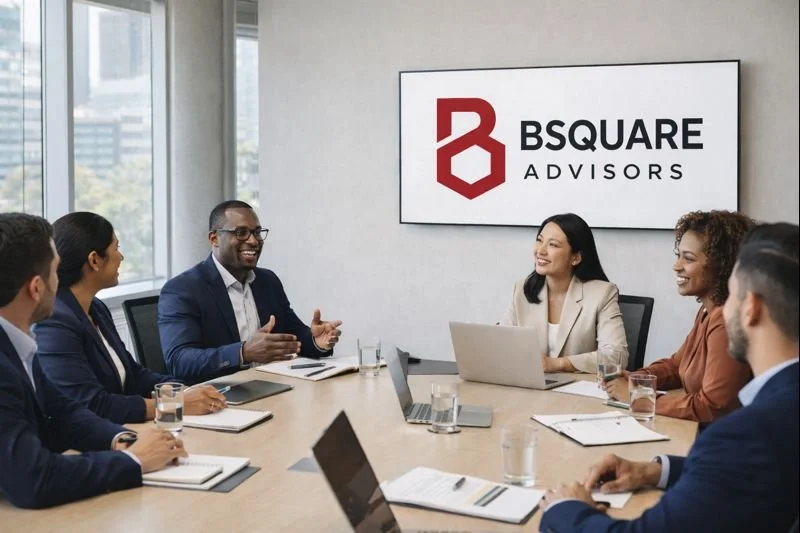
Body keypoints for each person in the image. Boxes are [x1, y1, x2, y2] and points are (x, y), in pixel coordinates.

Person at [540, 222, 799, 532]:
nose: (724, 308)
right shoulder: (778, 415)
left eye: (732, 295)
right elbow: (746, 469)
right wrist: (657, 471)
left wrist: (564, 509)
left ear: (750, 308)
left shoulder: (745, 434)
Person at [0, 213, 187, 509]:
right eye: (55, 271)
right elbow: (33, 479)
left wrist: (121, 439)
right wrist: (134, 460)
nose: (60, 281)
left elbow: (63, 413)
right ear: (36, 288)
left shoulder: (17, 343)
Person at [34, 212, 227, 424]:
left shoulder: (96, 308)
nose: (121, 257)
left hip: (124, 428)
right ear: (94, 260)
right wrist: (174, 404)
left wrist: (184, 390)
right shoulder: (54, 323)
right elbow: (90, 404)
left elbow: (133, 375)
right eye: (116, 248)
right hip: (93, 438)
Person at [159, 200, 343, 382]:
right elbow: (179, 362)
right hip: (220, 394)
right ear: (214, 239)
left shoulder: (267, 281)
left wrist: (316, 341)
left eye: (257, 232)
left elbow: (292, 337)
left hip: (272, 386)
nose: (253, 241)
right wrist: (243, 352)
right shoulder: (182, 289)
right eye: (241, 233)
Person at [605, 210, 754, 422]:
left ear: (721, 264)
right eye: (679, 256)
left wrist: (638, 397)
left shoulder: (725, 320)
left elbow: (712, 407)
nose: (677, 266)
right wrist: (637, 378)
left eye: (688, 258)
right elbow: (676, 366)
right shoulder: (707, 311)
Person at [500, 213, 627, 373]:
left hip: (578, 386)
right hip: (530, 384)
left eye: (553, 245)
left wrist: (559, 364)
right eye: (539, 240)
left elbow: (617, 357)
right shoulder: (522, 290)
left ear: (575, 257)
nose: (540, 250)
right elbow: (501, 343)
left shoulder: (602, 293)